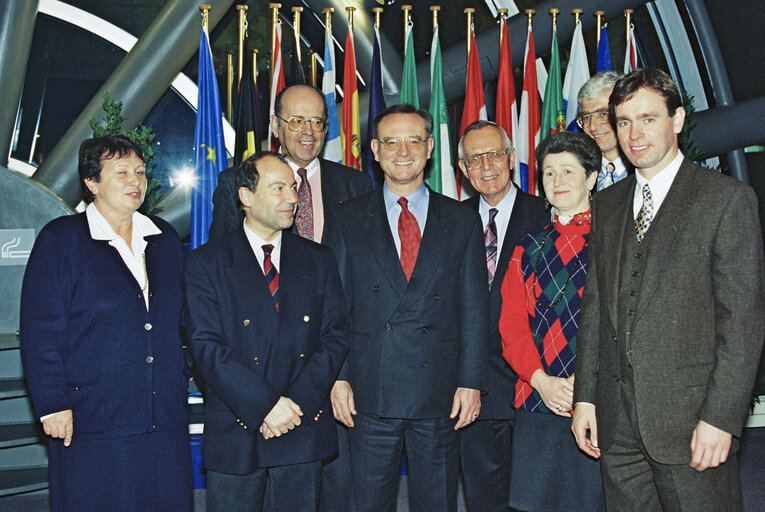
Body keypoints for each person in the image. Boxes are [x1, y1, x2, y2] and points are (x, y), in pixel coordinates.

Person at [572, 68, 765, 512]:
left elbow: (742, 322)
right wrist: (586, 397)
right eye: (623, 122)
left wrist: (721, 418)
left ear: (677, 120)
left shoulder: (726, 200)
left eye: (648, 119)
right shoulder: (608, 203)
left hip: (693, 424)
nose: (634, 134)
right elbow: (597, 309)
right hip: (616, 428)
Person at [210, 85, 370, 511]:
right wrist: (261, 400)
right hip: (253, 381)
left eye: (317, 121)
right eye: (296, 120)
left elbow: (359, 290)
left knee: (330, 494)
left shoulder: (355, 186)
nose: (307, 131)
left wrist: (334, 375)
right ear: (276, 125)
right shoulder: (233, 184)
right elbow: (221, 290)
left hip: (329, 374)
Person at [19, 135, 192, 511]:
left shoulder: (163, 238)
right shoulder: (62, 240)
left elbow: (184, 321)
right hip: (93, 419)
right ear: (92, 183)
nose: (136, 181)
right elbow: (41, 331)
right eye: (122, 173)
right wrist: (52, 404)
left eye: (141, 172)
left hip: (162, 416)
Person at [330, 104, 488, 512]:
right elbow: (335, 308)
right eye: (391, 142)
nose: (403, 151)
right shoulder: (347, 219)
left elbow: (474, 310)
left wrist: (471, 382)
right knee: (367, 503)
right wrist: (338, 378)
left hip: (439, 392)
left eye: (414, 140)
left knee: (436, 502)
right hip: (368, 391)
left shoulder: (462, 220)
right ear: (375, 151)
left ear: (430, 147)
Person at [184, 152, 349, 512]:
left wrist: (294, 407)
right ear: (246, 197)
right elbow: (206, 348)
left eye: (293, 187)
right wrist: (265, 406)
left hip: (301, 425)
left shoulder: (318, 259)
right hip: (237, 425)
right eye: (278, 188)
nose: (292, 198)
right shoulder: (206, 263)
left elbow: (334, 336)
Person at [499, 131, 605, 512]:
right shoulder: (527, 247)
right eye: (548, 174)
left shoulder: (613, 240)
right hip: (538, 396)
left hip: (602, 398)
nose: (557, 182)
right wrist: (540, 380)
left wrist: (588, 384)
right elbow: (511, 324)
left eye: (568, 172)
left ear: (591, 178)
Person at [457, 120, 547, 512]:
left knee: (538, 493)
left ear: (512, 158)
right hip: (476, 383)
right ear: (463, 169)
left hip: (537, 381)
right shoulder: (449, 221)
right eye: (475, 159)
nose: (487, 166)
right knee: (485, 497)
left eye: (495, 154)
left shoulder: (546, 213)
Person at [577, 71, 634, 190]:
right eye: (586, 117)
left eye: (603, 114)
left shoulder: (646, 171)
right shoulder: (579, 176)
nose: (593, 127)